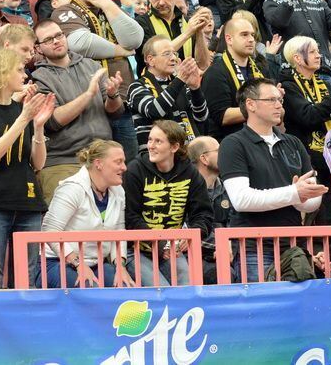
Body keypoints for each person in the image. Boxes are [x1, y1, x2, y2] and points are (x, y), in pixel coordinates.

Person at [218, 78, 328, 281]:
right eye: (271, 100)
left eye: (280, 100)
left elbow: (312, 200)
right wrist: (294, 193)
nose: (279, 105)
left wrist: (300, 196)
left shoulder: (293, 143)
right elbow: (241, 200)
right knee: (260, 309)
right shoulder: (233, 144)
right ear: (250, 104)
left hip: (294, 246)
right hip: (254, 248)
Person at [0, 48, 55, 288]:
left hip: (28, 200)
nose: (25, 75)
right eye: (19, 70)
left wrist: (38, 127)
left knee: (27, 275)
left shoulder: (22, 112)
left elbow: (38, 163)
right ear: (2, 73)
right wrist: (24, 119)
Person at [51, 0, 144, 154]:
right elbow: (80, 43)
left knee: (126, 165)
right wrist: (120, 50)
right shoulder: (65, 11)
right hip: (89, 105)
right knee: (96, 163)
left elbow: (135, 39)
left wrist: (107, 4)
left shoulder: (108, 8)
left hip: (121, 99)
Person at [32, 18, 125, 201]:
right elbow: (52, 121)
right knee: (66, 227)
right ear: (38, 48)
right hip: (63, 161)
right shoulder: (38, 78)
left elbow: (115, 112)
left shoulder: (92, 65)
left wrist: (113, 95)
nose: (57, 41)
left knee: (109, 224)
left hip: (102, 157)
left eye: (59, 35)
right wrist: (88, 94)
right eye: (48, 39)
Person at [123, 120, 212, 285]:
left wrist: (192, 234)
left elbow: (203, 214)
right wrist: (159, 241)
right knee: (160, 288)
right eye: (150, 140)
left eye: (158, 141)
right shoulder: (135, 170)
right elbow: (130, 217)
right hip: (136, 250)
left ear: (174, 147)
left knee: (187, 286)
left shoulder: (191, 173)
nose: (151, 145)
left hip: (171, 249)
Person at [41, 139, 132, 288]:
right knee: (90, 289)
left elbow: (119, 232)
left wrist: (120, 266)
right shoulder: (72, 188)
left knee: (126, 287)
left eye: (124, 162)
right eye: (118, 162)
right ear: (98, 164)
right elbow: (49, 231)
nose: (124, 167)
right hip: (56, 262)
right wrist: (79, 264)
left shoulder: (118, 191)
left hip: (96, 263)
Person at [279, 36, 331, 226]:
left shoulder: (322, 83)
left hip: (330, 156)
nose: (319, 55)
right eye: (313, 51)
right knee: (321, 216)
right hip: (307, 158)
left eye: (318, 50)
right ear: (297, 58)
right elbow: (308, 116)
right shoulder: (288, 85)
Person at [127, 35, 209, 154]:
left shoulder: (180, 84)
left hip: (188, 154)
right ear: (150, 60)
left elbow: (201, 117)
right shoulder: (137, 86)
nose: (173, 58)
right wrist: (180, 79)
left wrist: (195, 88)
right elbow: (154, 111)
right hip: (156, 157)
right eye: (167, 54)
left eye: (174, 54)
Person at [203, 17, 265, 140]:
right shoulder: (215, 72)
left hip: (261, 138)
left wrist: (276, 100)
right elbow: (222, 116)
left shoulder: (260, 70)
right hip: (231, 142)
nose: (251, 39)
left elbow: (278, 113)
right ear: (229, 39)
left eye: (252, 35)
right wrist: (263, 106)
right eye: (244, 35)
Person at [136, 0, 213, 69]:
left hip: (188, 82)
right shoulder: (141, 23)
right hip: (155, 83)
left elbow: (203, 65)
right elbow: (154, 59)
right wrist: (188, 33)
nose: (161, 2)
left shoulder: (188, 22)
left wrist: (199, 31)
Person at [187, 136, 228, 280]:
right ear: (204, 159)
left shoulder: (227, 189)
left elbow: (234, 224)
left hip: (225, 257)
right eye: (219, 151)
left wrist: (229, 245)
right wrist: (221, 243)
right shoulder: (185, 190)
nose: (226, 154)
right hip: (191, 257)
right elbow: (187, 231)